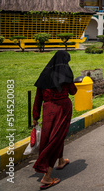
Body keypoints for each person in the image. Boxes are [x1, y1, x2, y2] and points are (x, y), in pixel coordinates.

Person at [33, 50, 77, 189]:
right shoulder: (66, 74)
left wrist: (35, 116)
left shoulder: (44, 75)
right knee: (56, 138)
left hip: (47, 110)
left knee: (52, 136)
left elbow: (38, 98)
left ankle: (61, 161)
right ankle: (47, 177)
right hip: (62, 110)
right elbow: (73, 91)